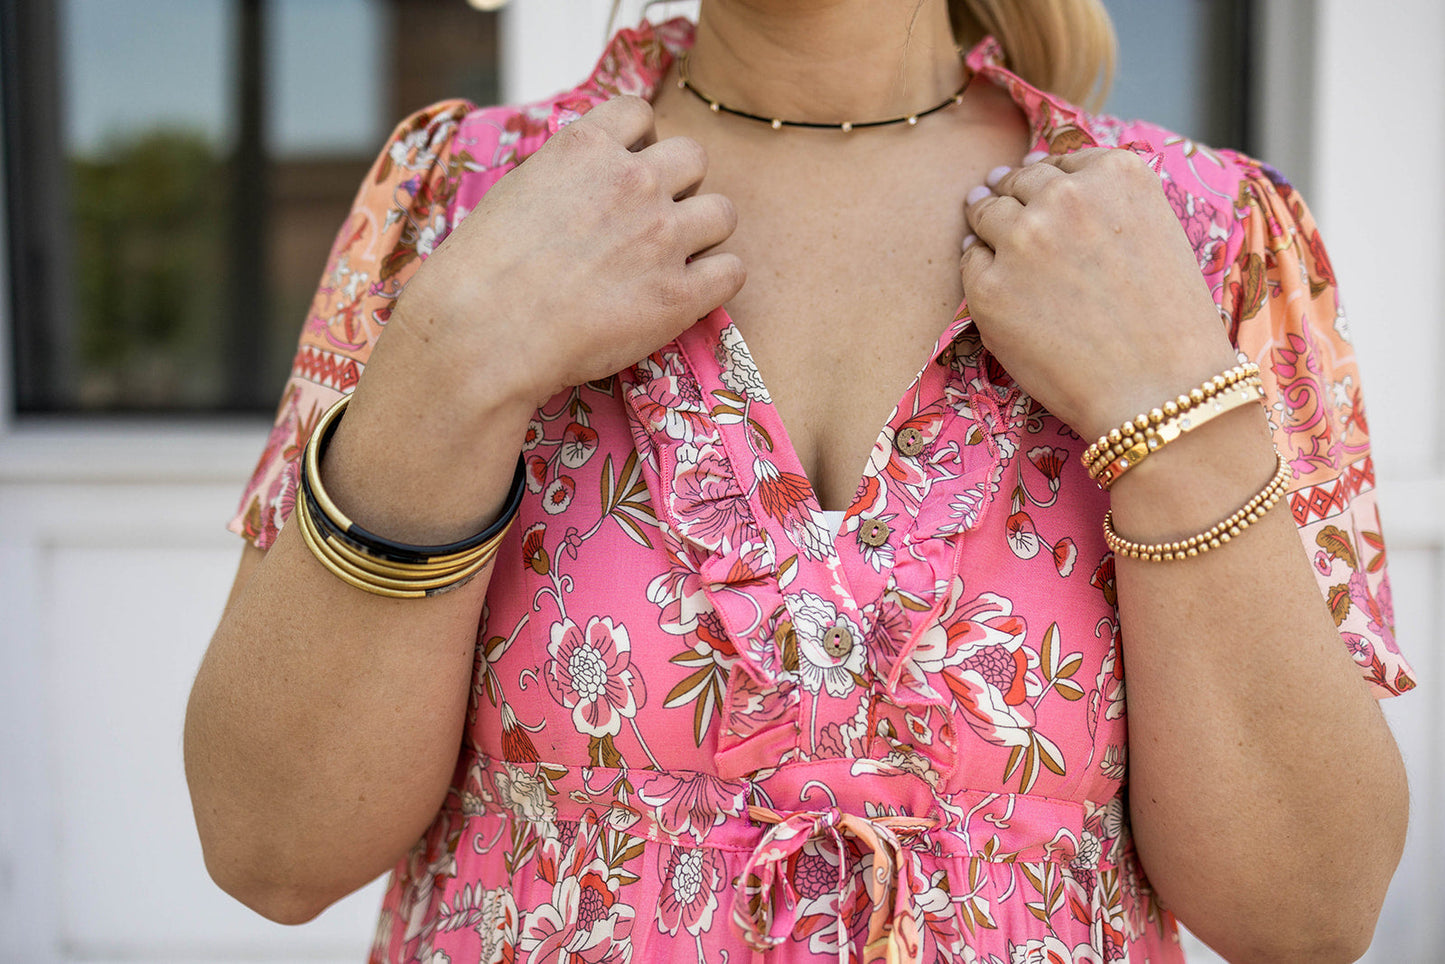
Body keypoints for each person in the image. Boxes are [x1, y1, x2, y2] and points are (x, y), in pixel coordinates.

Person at [184, 1, 1414, 961]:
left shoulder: (1199, 237)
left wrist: (1165, 407)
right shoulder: (456, 201)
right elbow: (271, 844)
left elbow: (1305, 911)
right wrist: (455, 361)